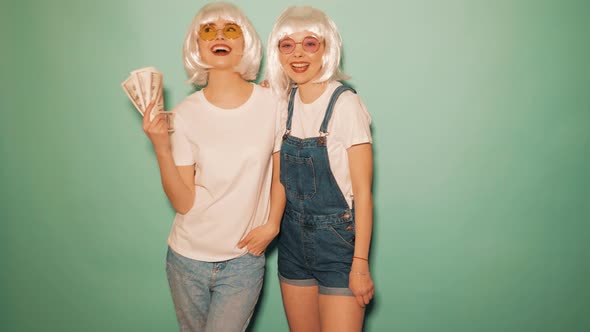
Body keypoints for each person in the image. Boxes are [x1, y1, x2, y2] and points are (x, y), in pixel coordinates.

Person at [141, 2, 285, 331]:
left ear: (245, 42)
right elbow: (183, 202)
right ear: (197, 46)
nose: (219, 36)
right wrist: (162, 147)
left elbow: (281, 173)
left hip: (242, 262)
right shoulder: (185, 113)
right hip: (185, 259)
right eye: (208, 30)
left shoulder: (272, 104)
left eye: (230, 29)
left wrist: (272, 224)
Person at [265, 6, 375, 332]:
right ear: (278, 53)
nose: (298, 53)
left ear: (327, 48)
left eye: (310, 43)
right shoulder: (280, 102)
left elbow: (364, 196)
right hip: (292, 242)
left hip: (337, 245)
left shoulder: (346, 104)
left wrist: (360, 265)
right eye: (287, 45)